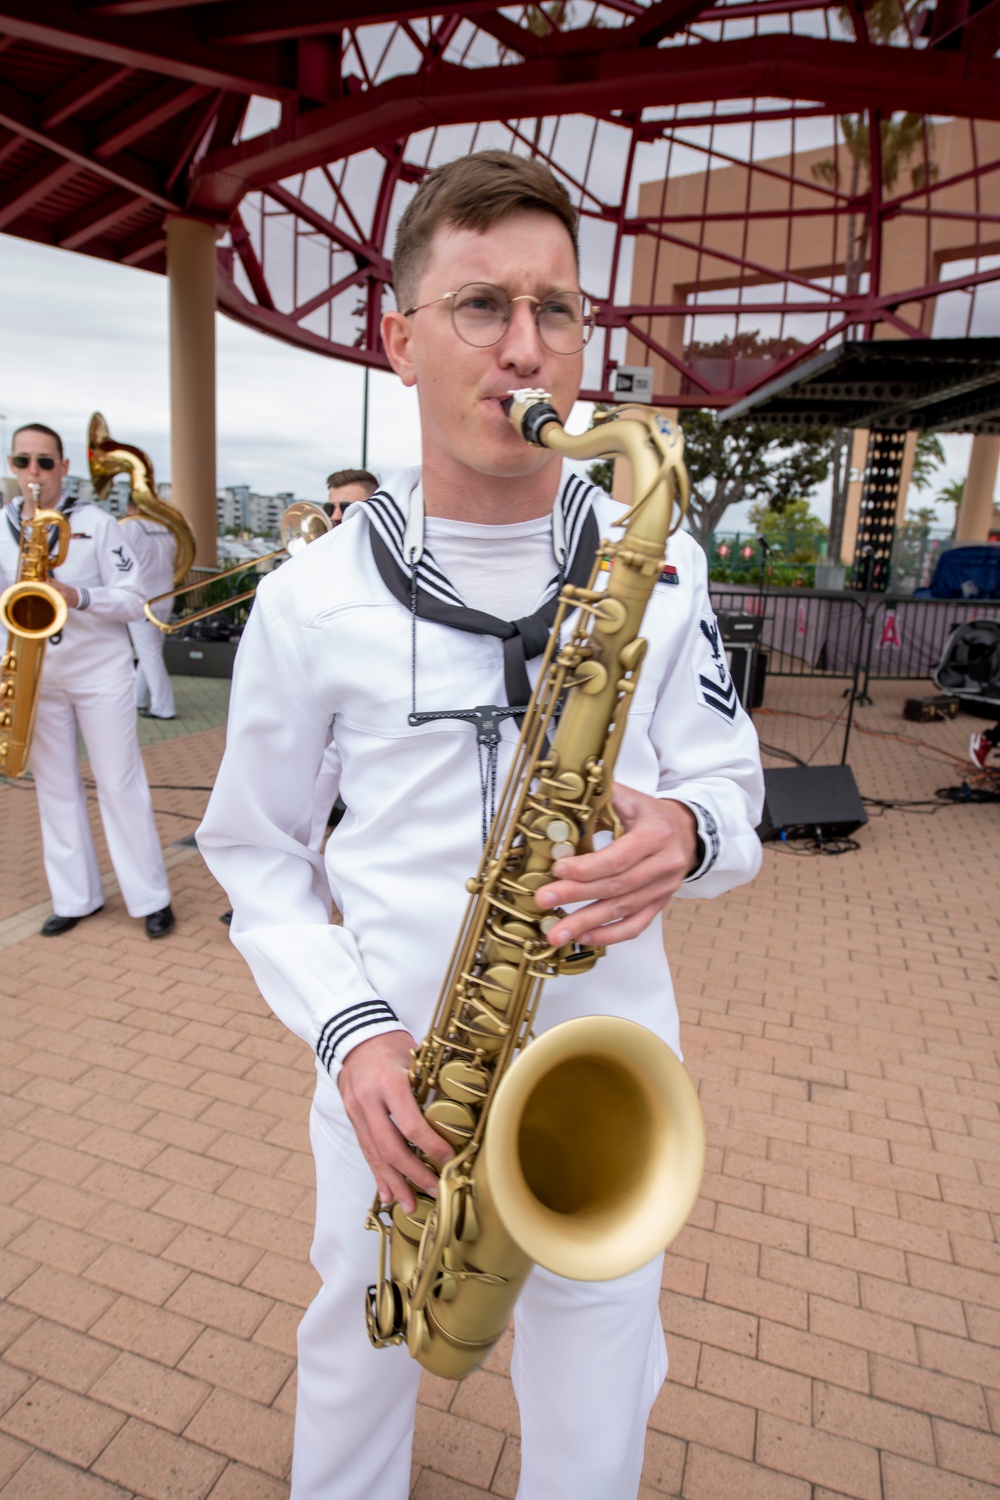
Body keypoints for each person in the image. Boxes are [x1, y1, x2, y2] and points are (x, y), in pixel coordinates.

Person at [197, 150, 764, 1500]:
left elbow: (735, 786)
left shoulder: (663, 568)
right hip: (400, 1089)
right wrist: (350, 1033)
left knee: (602, 1396)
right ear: (397, 338)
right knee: (355, 1360)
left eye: (557, 311)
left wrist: (687, 832)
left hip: (606, 1084)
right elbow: (254, 853)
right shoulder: (309, 600)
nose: (528, 348)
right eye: (481, 306)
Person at [2, 422, 175, 939]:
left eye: (45, 462)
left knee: (120, 783)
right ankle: (75, 896)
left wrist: (74, 595)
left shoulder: (96, 523)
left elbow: (133, 598)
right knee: (54, 788)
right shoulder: (1, 526)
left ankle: (150, 897)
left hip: (100, 674)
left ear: (64, 468)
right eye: (23, 462)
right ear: (12, 466)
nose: (34, 473)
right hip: (38, 674)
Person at [123, 495, 177, 720]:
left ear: (130, 507)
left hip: (142, 598)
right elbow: (175, 558)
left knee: (150, 653)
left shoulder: (128, 528)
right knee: (151, 651)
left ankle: (164, 706)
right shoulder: (165, 530)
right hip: (166, 596)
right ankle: (138, 698)